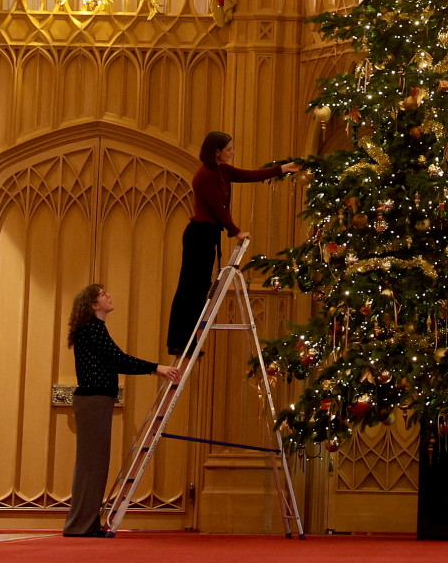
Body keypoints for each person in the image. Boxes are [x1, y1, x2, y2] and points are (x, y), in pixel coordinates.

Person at [166, 132, 300, 355]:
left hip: (208, 235)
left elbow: (251, 175)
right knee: (189, 289)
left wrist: (283, 169)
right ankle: (178, 343)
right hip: (198, 235)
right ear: (216, 152)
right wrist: (235, 231)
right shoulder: (204, 176)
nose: (232, 152)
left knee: (200, 291)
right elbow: (218, 208)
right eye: (229, 149)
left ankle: (189, 342)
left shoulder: (223, 170)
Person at [64, 284, 179, 537]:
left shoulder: (94, 328)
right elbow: (118, 359)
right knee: (92, 465)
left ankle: (85, 524)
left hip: (96, 400)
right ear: (94, 305)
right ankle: (80, 526)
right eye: (103, 294)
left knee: (94, 464)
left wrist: (153, 368)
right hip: (93, 400)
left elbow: (114, 358)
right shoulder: (92, 328)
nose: (109, 296)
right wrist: (156, 368)